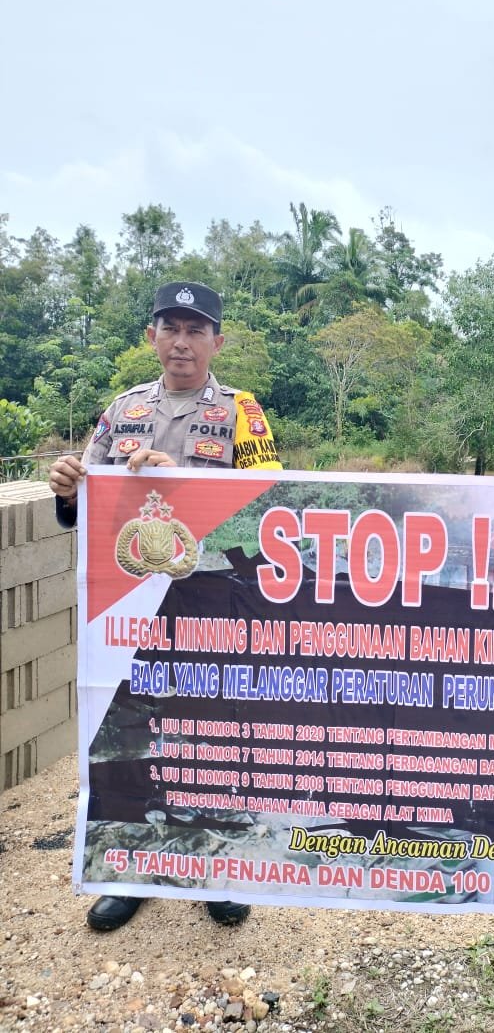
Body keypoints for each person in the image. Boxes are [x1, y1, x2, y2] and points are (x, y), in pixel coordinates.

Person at [49, 280, 283, 932]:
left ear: (217, 341)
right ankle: (127, 868)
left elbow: (267, 511)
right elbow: (84, 506)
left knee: (210, 732)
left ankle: (214, 866)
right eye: (170, 328)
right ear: (151, 336)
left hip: (209, 602)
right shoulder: (122, 410)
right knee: (125, 733)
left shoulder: (241, 413)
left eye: (195, 329)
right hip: (128, 605)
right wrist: (67, 490)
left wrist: (183, 484)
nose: (182, 341)